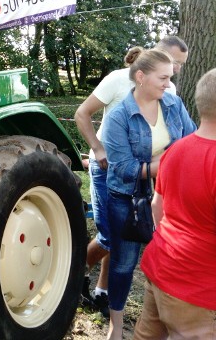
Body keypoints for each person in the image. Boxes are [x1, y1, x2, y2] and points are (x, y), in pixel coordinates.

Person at [74, 36, 189, 317]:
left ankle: (103, 291)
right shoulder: (117, 80)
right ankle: (75, 277)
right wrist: (98, 150)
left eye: (178, 66)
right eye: (173, 62)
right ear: (156, 56)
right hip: (108, 170)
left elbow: (178, 133)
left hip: (146, 177)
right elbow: (82, 113)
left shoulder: (169, 92)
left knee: (124, 237)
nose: (175, 71)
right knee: (112, 236)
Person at [102, 48, 196, 340]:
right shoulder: (119, 116)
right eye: (163, 77)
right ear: (140, 77)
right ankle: (115, 327)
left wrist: (165, 162)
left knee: (169, 260)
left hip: (168, 195)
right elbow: (126, 169)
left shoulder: (172, 103)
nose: (169, 84)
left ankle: (158, 325)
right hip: (126, 198)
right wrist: (167, 160)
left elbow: (190, 139)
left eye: (170, 77)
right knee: (124, 263)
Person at [133, 68, 216, 339]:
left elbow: (158, 208)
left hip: (162, 266)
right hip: (197, 288)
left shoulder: (176, 150)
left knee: (147, 335)